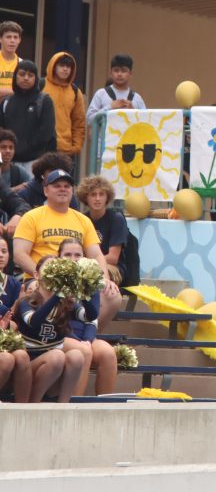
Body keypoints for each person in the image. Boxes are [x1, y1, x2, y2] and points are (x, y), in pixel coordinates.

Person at [12, 169, 120, 334]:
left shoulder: (83, 220)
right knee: (35, 289)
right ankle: (42, 338)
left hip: (77, 282)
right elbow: (19, 254)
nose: (63, 189)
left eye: (67, 186)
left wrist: (105, 279)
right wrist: (42, 276)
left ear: (72, 191)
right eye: (57, 186)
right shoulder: (32, 217)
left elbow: (97, 255)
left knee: (113, 296)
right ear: (46, 190)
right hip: (40, 279)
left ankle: (89, 336)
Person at [55, 238, 117, 397]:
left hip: (85, 336)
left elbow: (92, 318)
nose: (73, 259)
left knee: (108, 354)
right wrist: (79, 341)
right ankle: (76, 403)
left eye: (78, 255)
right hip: (61, 334)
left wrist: (88, 340)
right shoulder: (54, 280)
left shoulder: (90, 280)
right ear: (58, 257)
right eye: (67, 254)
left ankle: (106, 406)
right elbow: (55, 320)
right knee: (85, 352)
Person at [16, 267, 87, 402]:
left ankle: (62, 406)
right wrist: (57, 295)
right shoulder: (27, 300)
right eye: (49, 269)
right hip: (26, 368)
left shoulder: (66, 302)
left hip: (53, 369)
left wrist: (87, 290)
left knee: (77, 355)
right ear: (36, 274)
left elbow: (89, 316)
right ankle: (34, 404)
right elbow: (34, 321)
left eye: (57, 269)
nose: (54, 273)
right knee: (57, 356)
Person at [77, 175, 127, 329]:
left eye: (101, 194)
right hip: (86, 266)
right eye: (93, 194)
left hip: (113, 268)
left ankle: (92, 326)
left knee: (97, 281)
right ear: (86, 198)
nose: (97, 198)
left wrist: (90, 262)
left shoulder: (116, 218)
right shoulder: (81, 219)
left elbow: (113, 257)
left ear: (107, 197)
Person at [0, 60, 56, 174]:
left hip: (35, 161)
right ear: (15, 76)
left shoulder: (44, 101)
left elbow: (46, 131)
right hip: (9, 162)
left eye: (30, 75)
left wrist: (27, 149)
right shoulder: (6, 102)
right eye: (22, 74)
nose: (26, 78)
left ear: (36, 78)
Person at [0, 238, 32, 402]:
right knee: (5, 359)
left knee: (21, 356)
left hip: (7, 332)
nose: (1, 255)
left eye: (4, 251)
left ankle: (23, 407)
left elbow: (14, 319)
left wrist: (18, 303)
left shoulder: (12, 282)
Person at [43, 53, 86, 171]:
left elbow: (79, 122)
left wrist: (76, 147)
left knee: (64, 187)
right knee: (41, 186)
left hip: (66, 151)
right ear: (53, 66)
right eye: (62, 65)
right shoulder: (41, 86)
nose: (65, 69)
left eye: (69, 66)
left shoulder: (75, 91)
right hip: (42, 149)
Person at [86, 54, 146, 122]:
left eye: (123, 71)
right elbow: (89, 119)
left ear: (130, 74)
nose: (119, 74)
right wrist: (110, 107)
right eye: (116, 70)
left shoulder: (137, 98)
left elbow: (146, 122)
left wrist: (133, 111)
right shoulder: (101, 94)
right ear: (111, 73)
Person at [0, 22, 22, 103]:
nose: (12, 40)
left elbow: (27, 92)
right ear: (0, 39)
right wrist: (16, 92)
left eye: (15, 37)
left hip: (14, 112)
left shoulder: (22, 64)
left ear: (19, 40)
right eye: (8, 37)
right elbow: (20, 92)